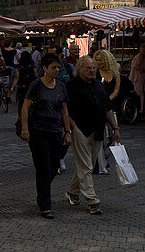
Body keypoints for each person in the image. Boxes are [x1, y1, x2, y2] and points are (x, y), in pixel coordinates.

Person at [65, 56, 121, 215]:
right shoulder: (71, 86)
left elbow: (107, 109)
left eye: (94, 68)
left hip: (97, 130)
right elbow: (64, 109)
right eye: (88, 68)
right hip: (80, 129)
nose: (92, 71)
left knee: (87, 163)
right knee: (86, 166)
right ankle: (92, 200)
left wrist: (115, 128)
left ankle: (72, 191)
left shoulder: (99, 86)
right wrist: (72, 126)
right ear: (80, 69)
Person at [20, 52, 72, 218]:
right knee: (43, 167)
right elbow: (25, 107)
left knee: (53, 166)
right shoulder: (36, 85)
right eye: (53, 67)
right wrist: (25, 129)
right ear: (44, 68)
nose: (57, 70)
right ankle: (45, 205)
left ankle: (41, 193)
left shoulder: (61, 86)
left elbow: (64, 111)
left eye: (58, 67)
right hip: (39, 131)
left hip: (56, 131)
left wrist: (67, 131)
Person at [93, 48, 120, 173]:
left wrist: (108, 100)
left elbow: (116, 90)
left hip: (110, 106)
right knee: (100, 136)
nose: (99, 62)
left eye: (101, 60)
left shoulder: (115, 73)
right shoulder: (95, 73)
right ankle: (101, 163)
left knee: (112, 135)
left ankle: (106, 158)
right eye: (97, 60)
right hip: (98, 108)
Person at [11, 49, 36, 115]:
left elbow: (17, 77)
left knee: (22, 102)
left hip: (22, 87)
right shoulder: (33, 66)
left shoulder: (18, 67)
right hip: (32, 86)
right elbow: (36, 75)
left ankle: (22, 115)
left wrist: (12, 87)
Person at [128, 40, 145, 115]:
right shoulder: (139, 57)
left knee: (139, 93)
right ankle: (140, 108)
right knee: (139, 93)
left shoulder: (140, 57)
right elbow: (135, 67)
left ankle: (140, 108)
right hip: (137, 77)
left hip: (138, 77)